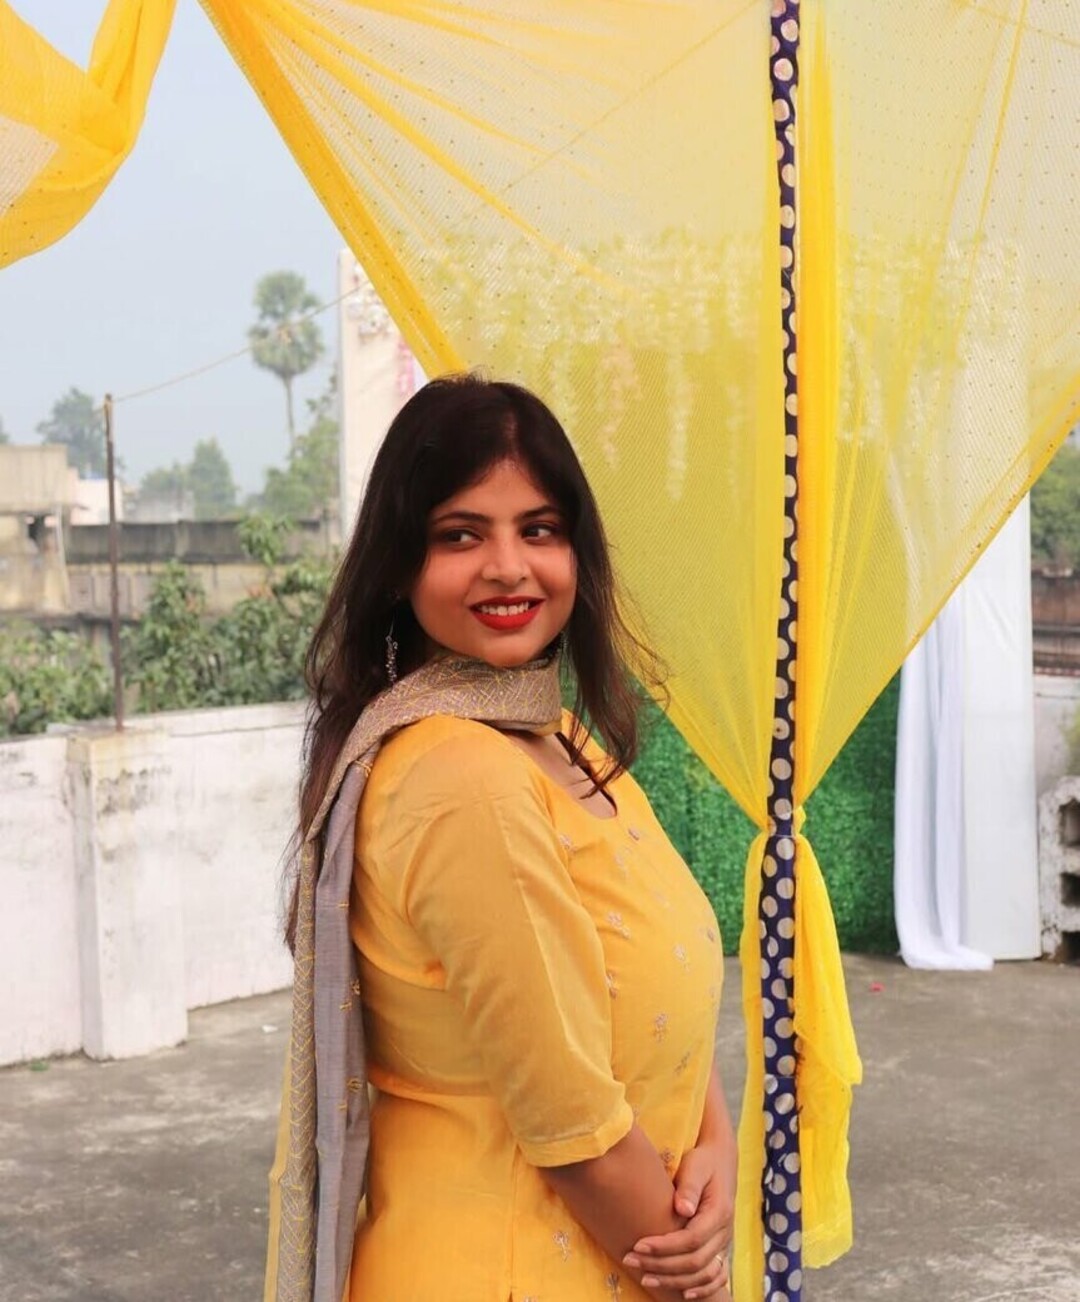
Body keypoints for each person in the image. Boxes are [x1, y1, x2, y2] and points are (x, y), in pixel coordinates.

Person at [265, 374, 738, 1302]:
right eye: (460, 534)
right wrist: (697, 1276)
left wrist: (713, 1145)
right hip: (508, 1266)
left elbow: (653, 995)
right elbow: (576, 1130)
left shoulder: (556, 739)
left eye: (539, 529)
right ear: (400, 564)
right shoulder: (460, 778)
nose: (509, 567)